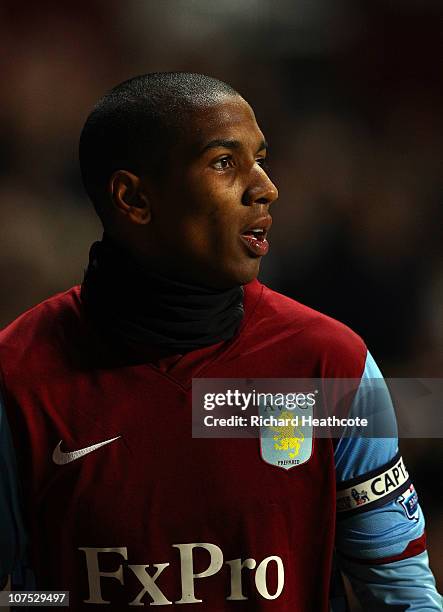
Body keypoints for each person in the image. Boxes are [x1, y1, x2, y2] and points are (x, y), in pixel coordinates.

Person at [0, 72, 441, 611]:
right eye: (224, 162)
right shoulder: (16, 375)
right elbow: (13, 593)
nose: (265, 187)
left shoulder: (330, 364)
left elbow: (399, 594)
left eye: (261, 158)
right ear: (134, 197)